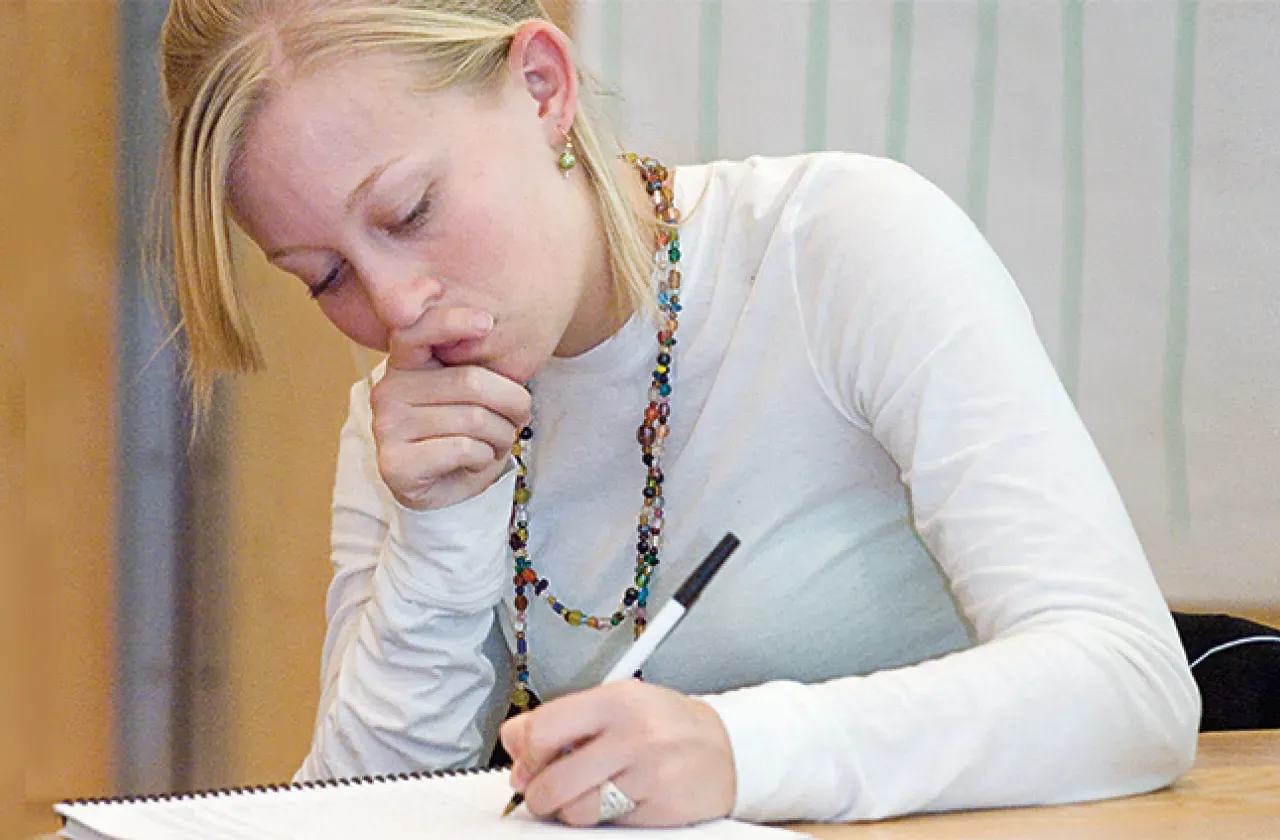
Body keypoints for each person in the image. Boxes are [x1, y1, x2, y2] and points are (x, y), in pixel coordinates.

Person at [158, 0, 1200, 828]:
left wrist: (736, 753)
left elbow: (1127, 688)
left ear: (539, 89)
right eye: (323, 275)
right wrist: (439, 527)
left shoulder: (835, 246)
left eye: (410, 213)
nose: (393, 307)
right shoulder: (411, 418)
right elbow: (361, 818)